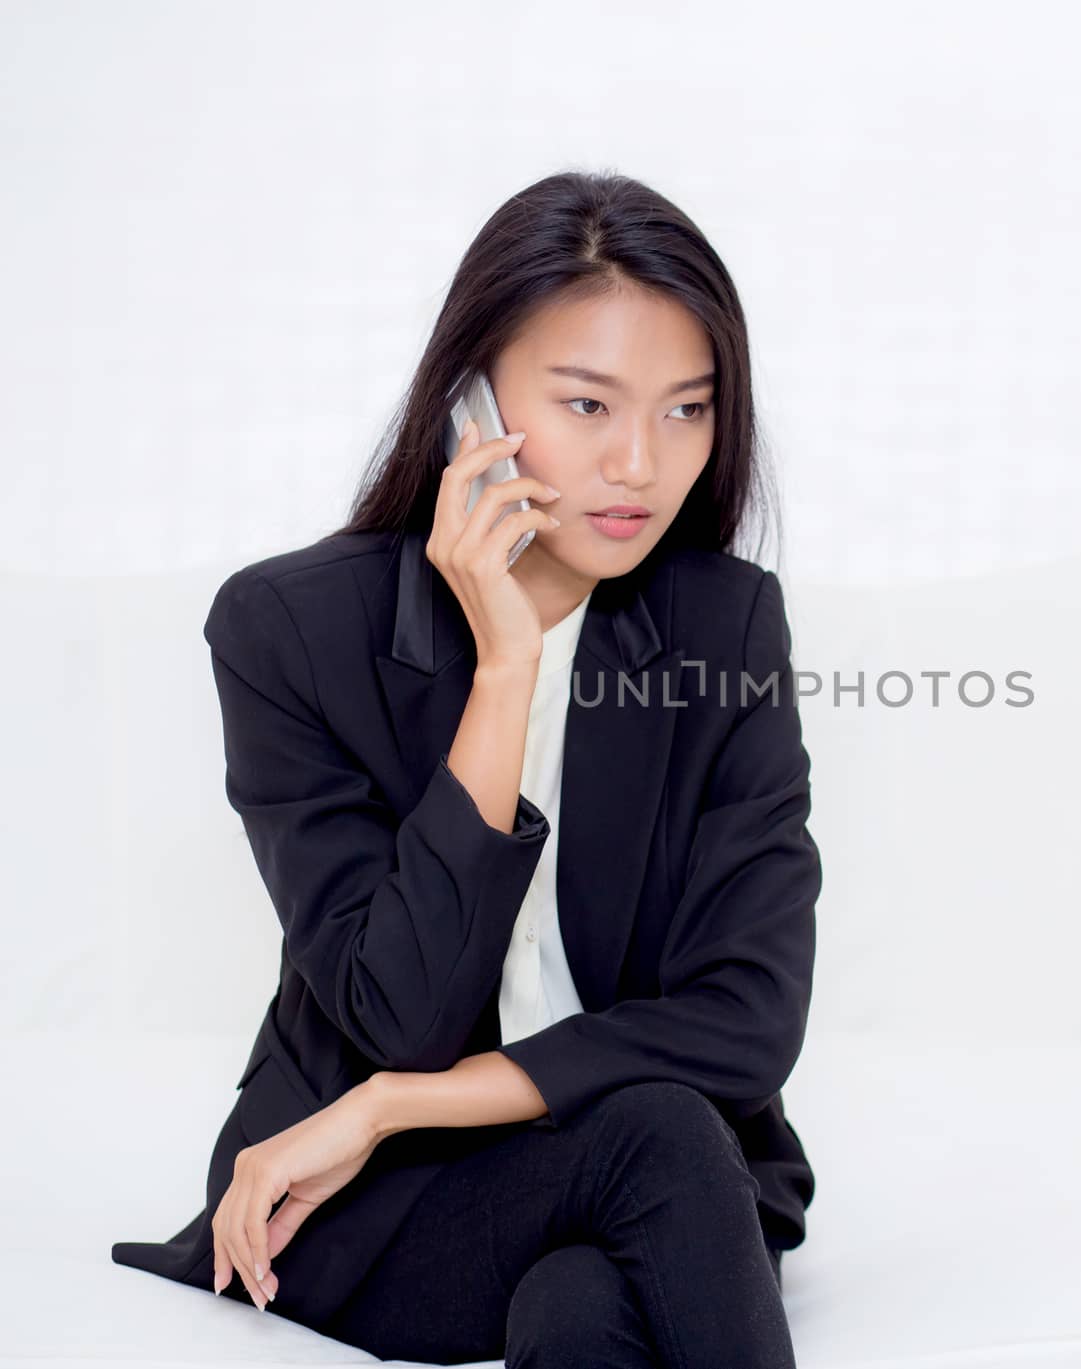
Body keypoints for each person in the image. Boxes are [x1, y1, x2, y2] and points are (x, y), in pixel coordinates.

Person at [110, 170, 821, 1367]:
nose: (642, 465)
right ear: (470, 399)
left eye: (688, 409)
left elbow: (746, 1024)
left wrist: (397, 1100)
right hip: (374, 1209)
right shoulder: (290, 629)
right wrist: (503, 667)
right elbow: (398, 1010)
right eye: (589, 405)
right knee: (653, 1133)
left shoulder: (722, 626)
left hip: (626, 1176)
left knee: (581, 1311)